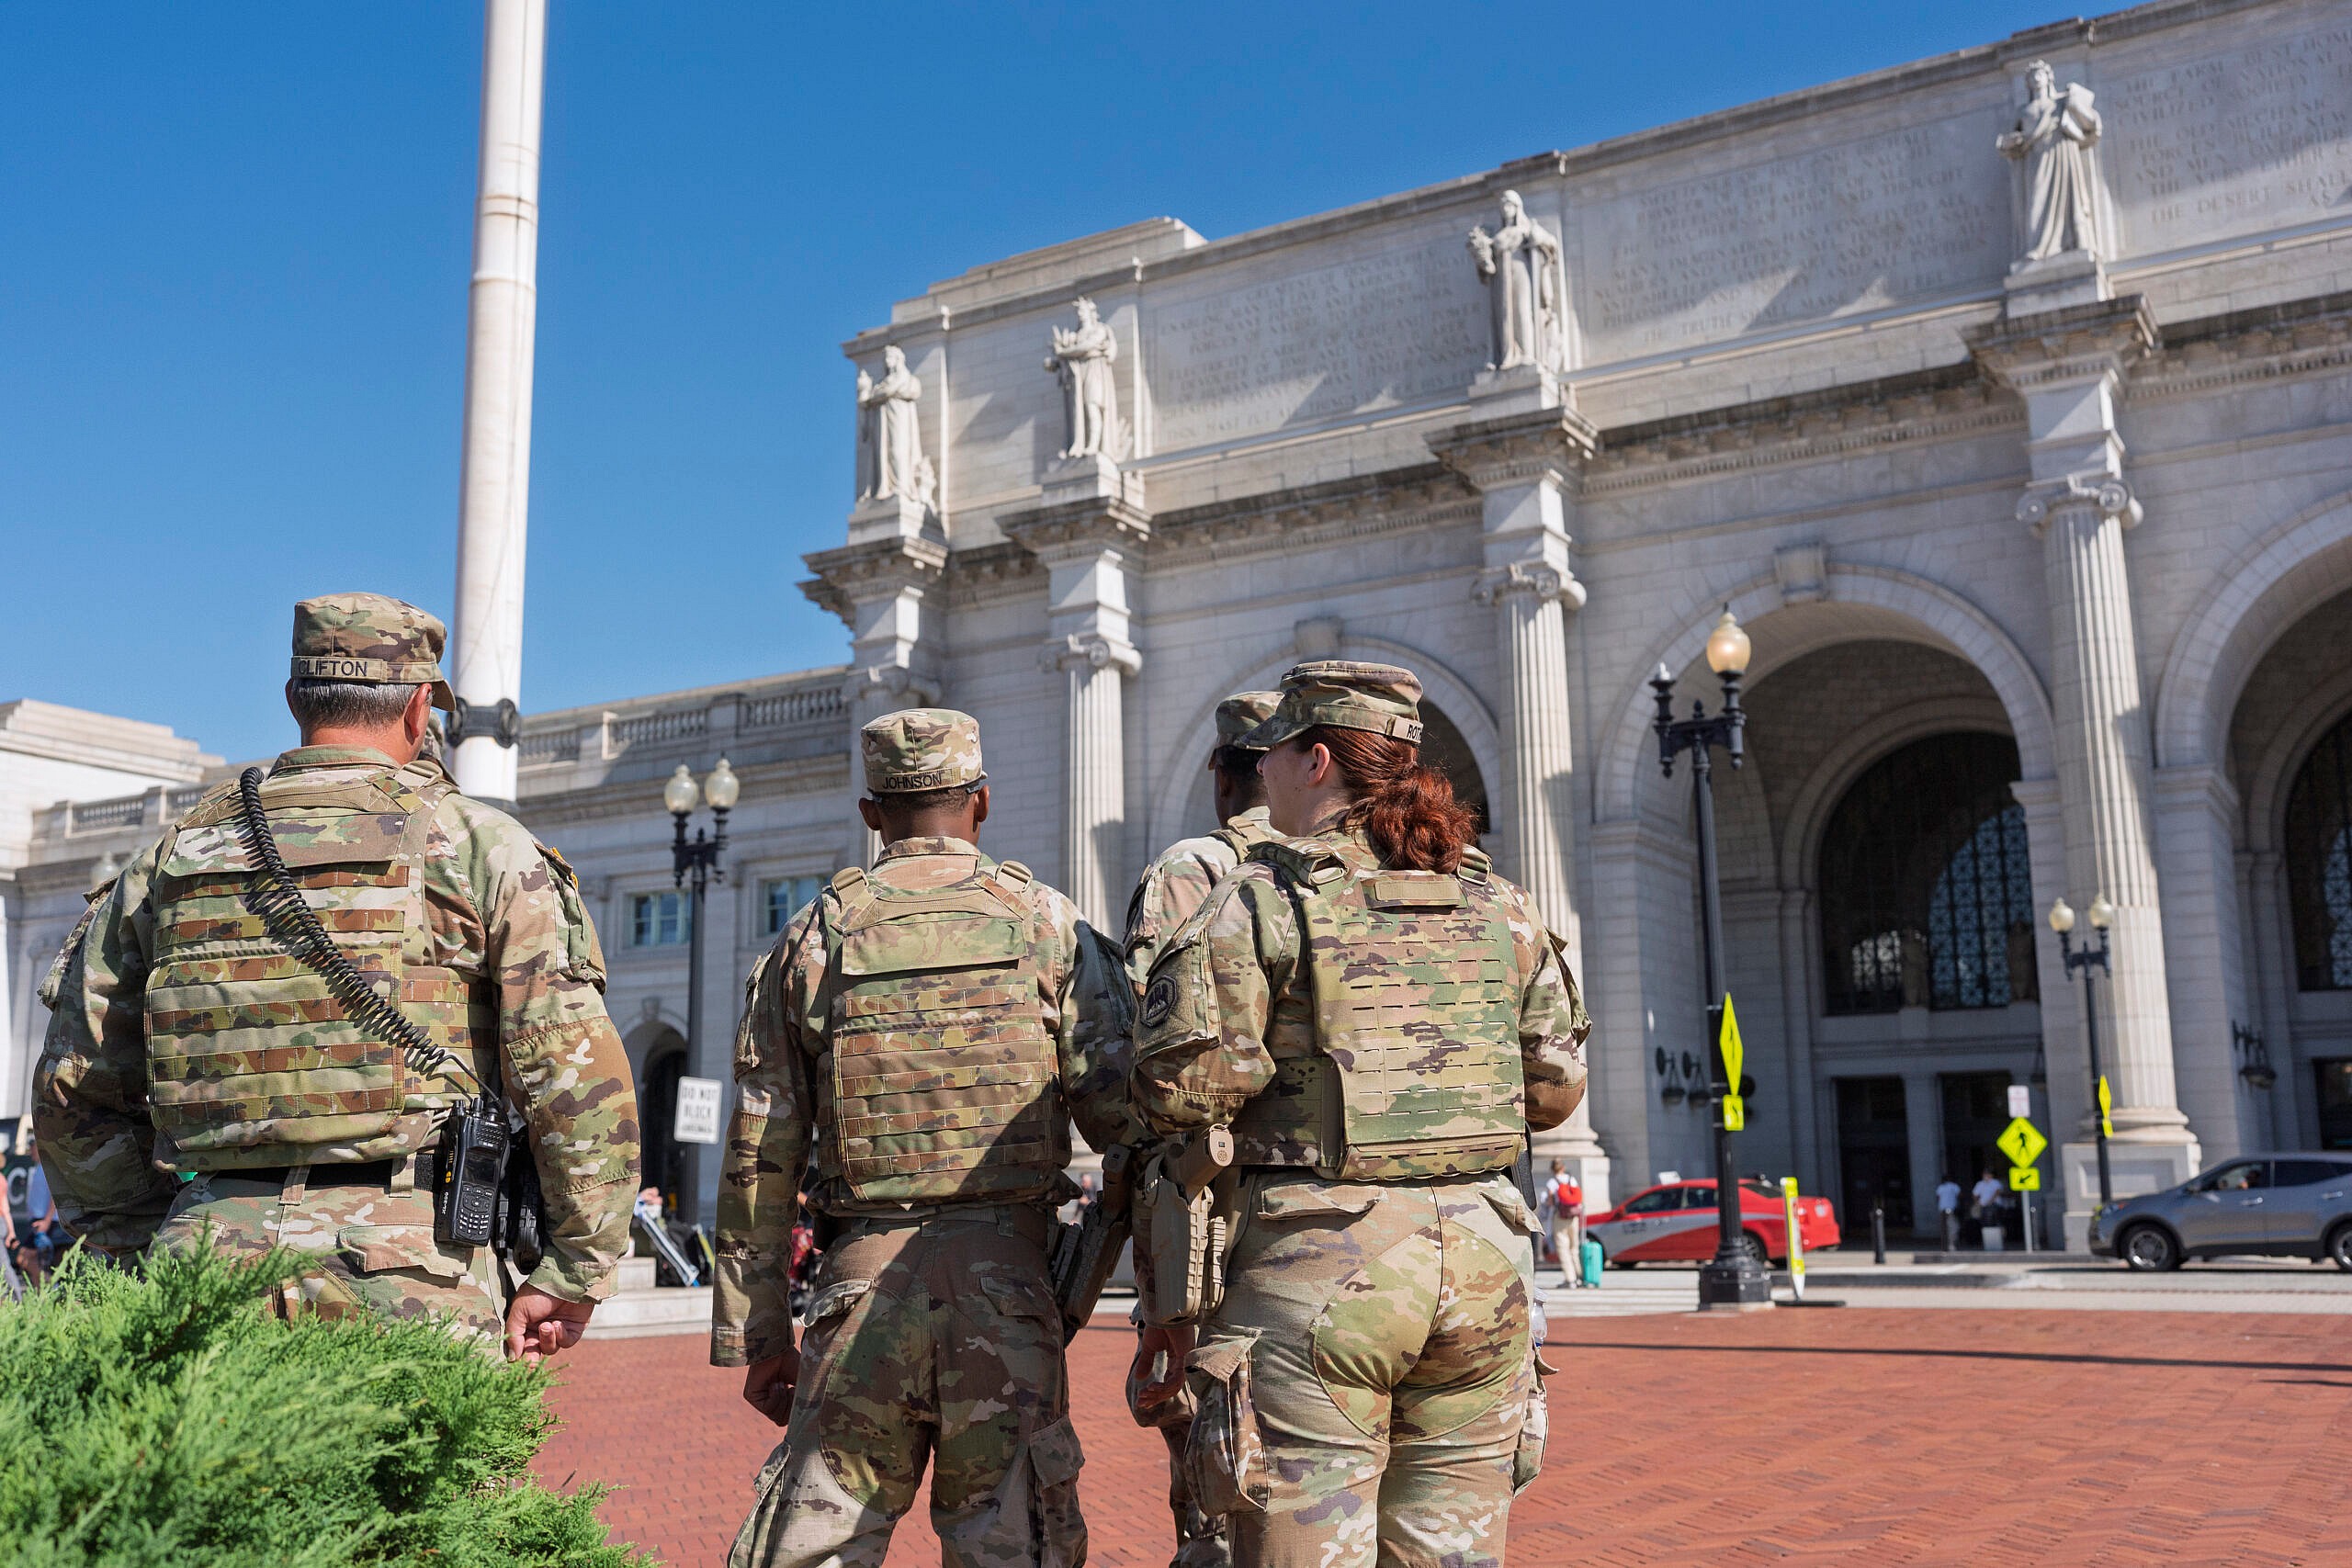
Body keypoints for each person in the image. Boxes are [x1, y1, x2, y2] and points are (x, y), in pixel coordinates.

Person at [32, 593, 639, 1362]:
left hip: (207, 1255)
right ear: (421, 707)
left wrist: (145, 1241)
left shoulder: (169, 860)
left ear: (294, 699)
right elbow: (574, 1074)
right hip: (412, 1262)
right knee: (435, 1483)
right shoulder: (480, 846)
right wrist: (577, 1267)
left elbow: (72, 1084)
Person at [1133, 661, 1589, 1568]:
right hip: (1483, 1267)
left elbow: (1181, 1088)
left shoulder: (1258, 903)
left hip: (1321, 1266)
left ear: (1312, 763)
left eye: (1271, 756)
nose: (1258, 774)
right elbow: (1554, 1087)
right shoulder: (1499, 904)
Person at [715, 707, 1139, 1568]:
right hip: (1012, 1289)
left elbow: (762, 1155)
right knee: (1010, 1545)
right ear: (981, 802)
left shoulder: (812, 938)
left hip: (857, 1285)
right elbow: (1134, 1127)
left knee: (812, 1546)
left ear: (872, 813)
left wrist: (757, 1335)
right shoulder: (1050, 925)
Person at [1119, 686, 1279, 1568]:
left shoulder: (1193, 869)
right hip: (1353, 1224)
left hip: (1218, 1221)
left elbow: (1148, 1061)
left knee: (1215, 1459)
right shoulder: (1357, 865)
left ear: (1224, 775)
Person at [1546, 1159, 1584, 1285]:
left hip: (1560, 1217)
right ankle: (1579, 1276)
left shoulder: (1552, 1182)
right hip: (1573, 1217)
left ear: (1552, 1169)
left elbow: (1550, 1203)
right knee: (1574, 1247)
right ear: (1563, 1167)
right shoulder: (1571, 1179)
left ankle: (1570, 1279)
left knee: (1563, 1247)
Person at [1935, 1173, 1962, 1251]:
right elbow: (1960, 1195)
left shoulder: (1940, 1187)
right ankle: (1952, 1245)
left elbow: (1938, 1197)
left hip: (1942, 1209)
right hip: (1951, 1209)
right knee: (1953, 1227)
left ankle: (1944, 1247)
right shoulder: (1954, 1186)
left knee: (1944, 1229)